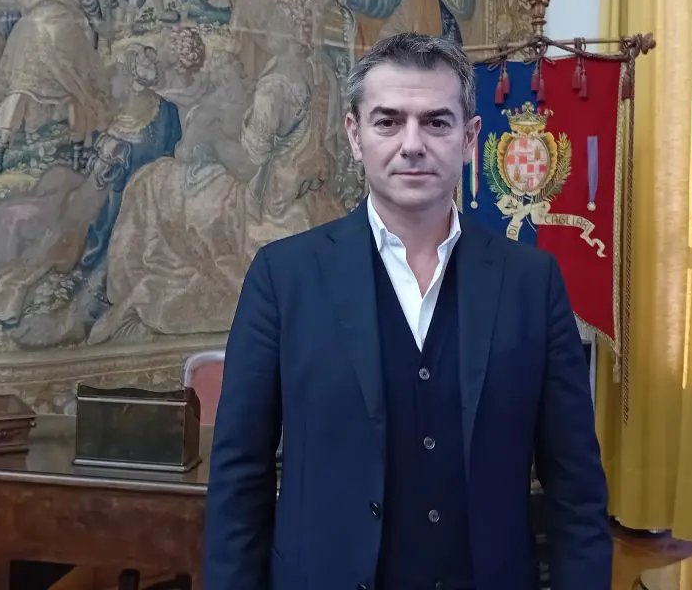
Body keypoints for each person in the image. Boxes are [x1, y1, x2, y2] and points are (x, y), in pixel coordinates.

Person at [203, 32, 613, 590]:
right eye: (388, 122)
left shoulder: (531, 283)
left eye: (436, 122)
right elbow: (239, 479)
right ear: (356, 136)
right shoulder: (282, 278)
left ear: (469, 138)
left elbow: (576, 487)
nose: (412, 144)